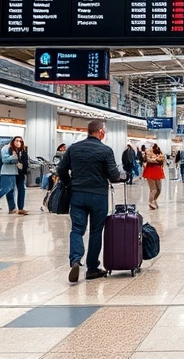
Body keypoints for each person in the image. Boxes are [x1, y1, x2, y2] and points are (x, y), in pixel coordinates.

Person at [56, 120, 124, 282]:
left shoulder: (74, 148)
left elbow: (61, 169)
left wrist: (69, 183)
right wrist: (122, 177)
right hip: (98, 196)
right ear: (100, 132)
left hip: (77, 194)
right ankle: (92, 268)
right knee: (95, 231)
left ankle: (75, 259)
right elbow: (114, 176)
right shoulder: (105, 150)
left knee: (77, 229)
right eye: (104, 131)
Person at [0, 136, 27, 215]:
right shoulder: (8, 149)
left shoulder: (23, 151)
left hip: (19, 173)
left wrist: (24, 171)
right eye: (16, 140)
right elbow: (4, 160)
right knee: (9, 190)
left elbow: (25, 161)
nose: (18, 142)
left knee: (21, 190)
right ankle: (12, 208)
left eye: (20, 141)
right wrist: (13, 157)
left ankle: (20, 208)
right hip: (10, 172)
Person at [143, 143, 166, 210]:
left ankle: (154, 200)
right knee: (153, 189)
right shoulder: (148, 153)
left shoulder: (159, 153)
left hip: (158, 172)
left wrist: (155, 160)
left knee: (159, 189)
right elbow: (147, 160)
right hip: (150, 171)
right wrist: (155, 160)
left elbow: (161, 161)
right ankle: (150, 202)